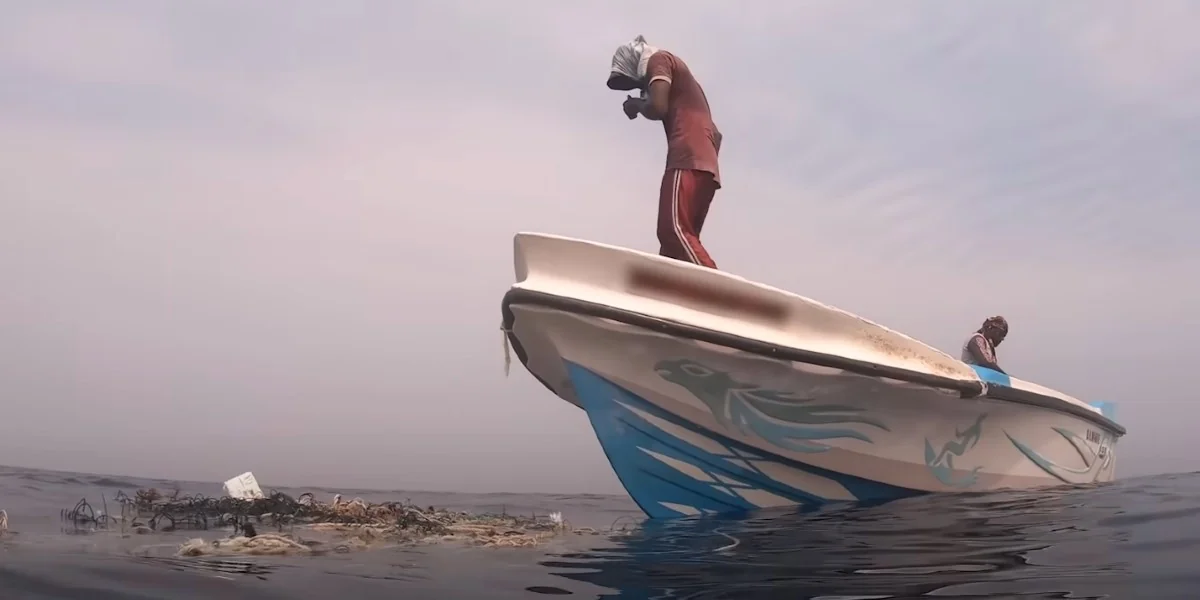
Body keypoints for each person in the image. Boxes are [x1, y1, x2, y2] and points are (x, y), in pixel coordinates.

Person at [606, 35, 723, 269]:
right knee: (676, 246)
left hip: (685, 157)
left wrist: (637, 106)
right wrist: (703, 162)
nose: (639, 87)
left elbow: (659, 106)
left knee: (672, 230)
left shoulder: (658, 60)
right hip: (706, 167)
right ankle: (676, 296)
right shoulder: (688, 87)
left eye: (635, 82)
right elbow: (716, 135)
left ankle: (720, 294)